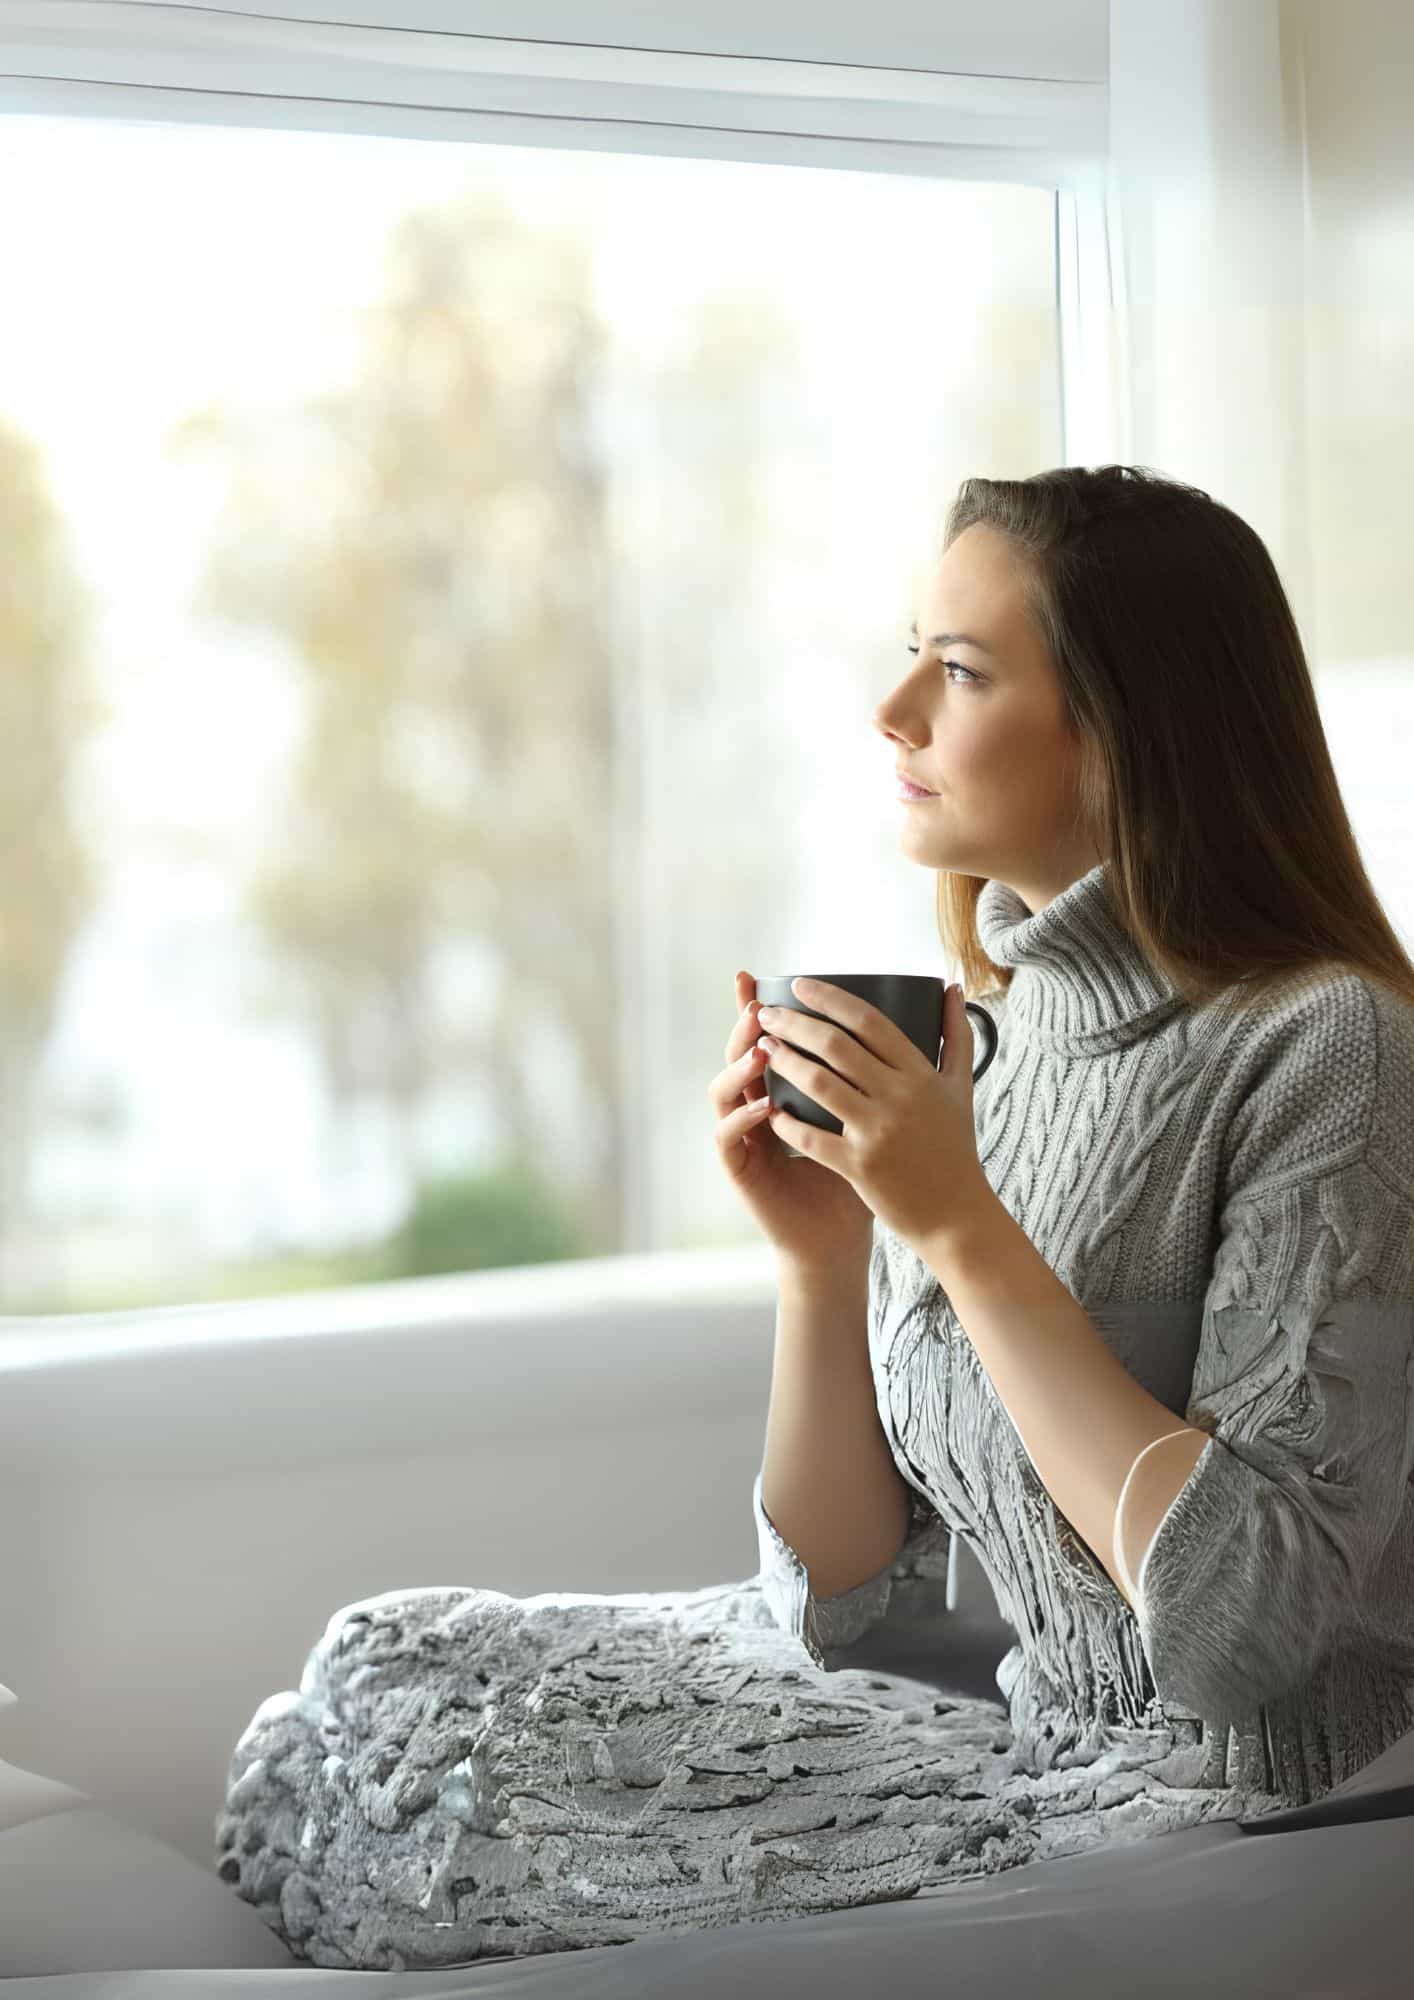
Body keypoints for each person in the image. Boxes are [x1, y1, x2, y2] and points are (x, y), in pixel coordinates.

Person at [216, 464, 1414, 1972]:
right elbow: (851, 1597)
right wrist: (821, 1255)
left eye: (960, 670)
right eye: (914, 652)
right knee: (392, 1662)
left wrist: (961, 1230)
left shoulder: (1329, 1048)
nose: (892, 708)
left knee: (450, 1791)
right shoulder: (986, 1034)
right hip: (1019, 1725)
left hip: (1236, 1798)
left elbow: (1251, 1631)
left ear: (1128, 729)